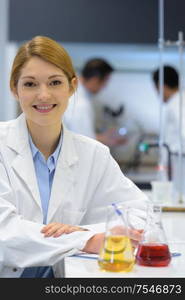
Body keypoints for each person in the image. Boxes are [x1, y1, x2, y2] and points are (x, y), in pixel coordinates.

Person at [0, 36, 148, 278]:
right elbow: (5, 234)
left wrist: (81, 230)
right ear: (14, 89)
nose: (44, 95)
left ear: (72, 87)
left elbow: (140, 218)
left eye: (55, 82)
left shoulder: (94, 155)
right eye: (30, 84)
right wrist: (87, 238)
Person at [64, 58, 127, 147]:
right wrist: (107, 140)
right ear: (95, 79)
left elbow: (79, 135)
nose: (104, 87)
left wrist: (103, 137)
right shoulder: (80, 104)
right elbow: (83, 142)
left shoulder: (73, 93)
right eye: (105, 82)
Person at [152, 65, 185, 153]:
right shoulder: (179, 101)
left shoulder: (177, 104)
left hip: (178, 164)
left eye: (156, 89)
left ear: (161, 85)